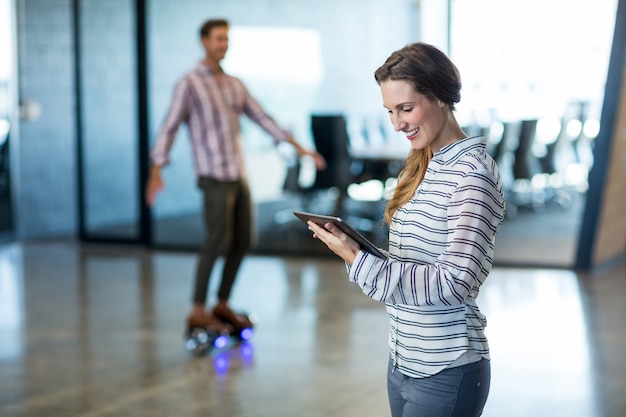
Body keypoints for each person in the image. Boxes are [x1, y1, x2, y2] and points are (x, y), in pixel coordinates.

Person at [307, 42, 505, 417]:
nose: (397, 124)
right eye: (390, 112)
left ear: (442, 98)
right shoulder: (423, 166)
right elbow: (412, 262)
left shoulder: (472, 176)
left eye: (406, 109)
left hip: (447, 367)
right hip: (403, 358)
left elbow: (454, 282)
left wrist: (357, 260)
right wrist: (357, 249)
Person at [146, 18, 325, 335]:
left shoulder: (234, 84)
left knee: (244, 241)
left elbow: (264, 118)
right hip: (213, 177)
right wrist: (156, 169)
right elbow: (169, 126)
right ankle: (197, 310)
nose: (223, 45)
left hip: (238, 175)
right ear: (204, 41)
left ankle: (222, 303)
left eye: (226, 39)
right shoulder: (189, 83)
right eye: (217, 39)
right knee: (217, 242)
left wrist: (301, 149)